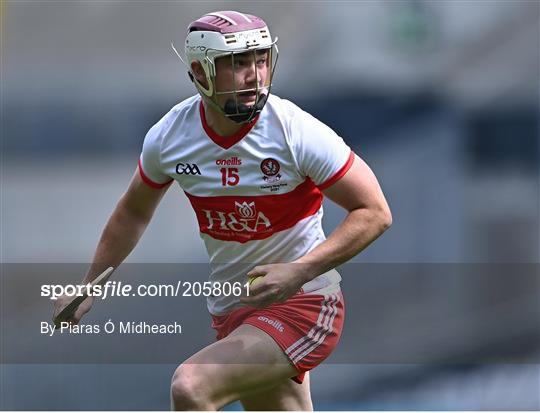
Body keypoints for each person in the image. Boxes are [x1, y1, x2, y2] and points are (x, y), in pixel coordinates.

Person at [54, 10, 392, 411]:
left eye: (260, 60)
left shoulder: (295, 131)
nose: (255, 74)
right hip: (235, 310)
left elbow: (374, 212)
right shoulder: (169, 138)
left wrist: (301, 270)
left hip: (306, 301)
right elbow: (132, 214)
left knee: (191, 385)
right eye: (237, 64)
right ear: (200, 71)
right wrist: (90, 284)